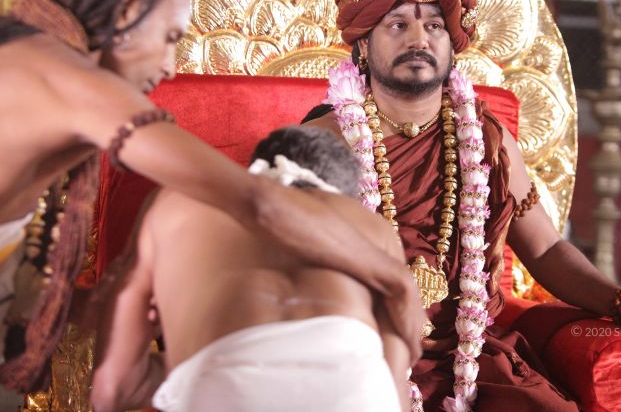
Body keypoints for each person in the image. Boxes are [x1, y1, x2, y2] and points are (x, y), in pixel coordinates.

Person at [0, 0, 423, 390]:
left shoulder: (35, 59)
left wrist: (112, 302)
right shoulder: (77, 81)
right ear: (127, 12)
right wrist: (393, 279)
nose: (169, 67)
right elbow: (252, 200)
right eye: (169, 37)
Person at [304, 0, 621, 410]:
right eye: (397, 25)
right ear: (363, 43)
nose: (419, 40)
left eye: (434, 25)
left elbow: (545, 249)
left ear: (452, 44)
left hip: (469, 358)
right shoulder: (319, 144)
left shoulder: (487, 140)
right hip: (358, 360)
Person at [91, 126, 412, 412]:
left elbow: (112, 391)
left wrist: (191, 363)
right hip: (357, 392)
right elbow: (395, 383)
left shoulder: (175, 202)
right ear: (345, 196)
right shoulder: (374, 228)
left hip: (221, 390)